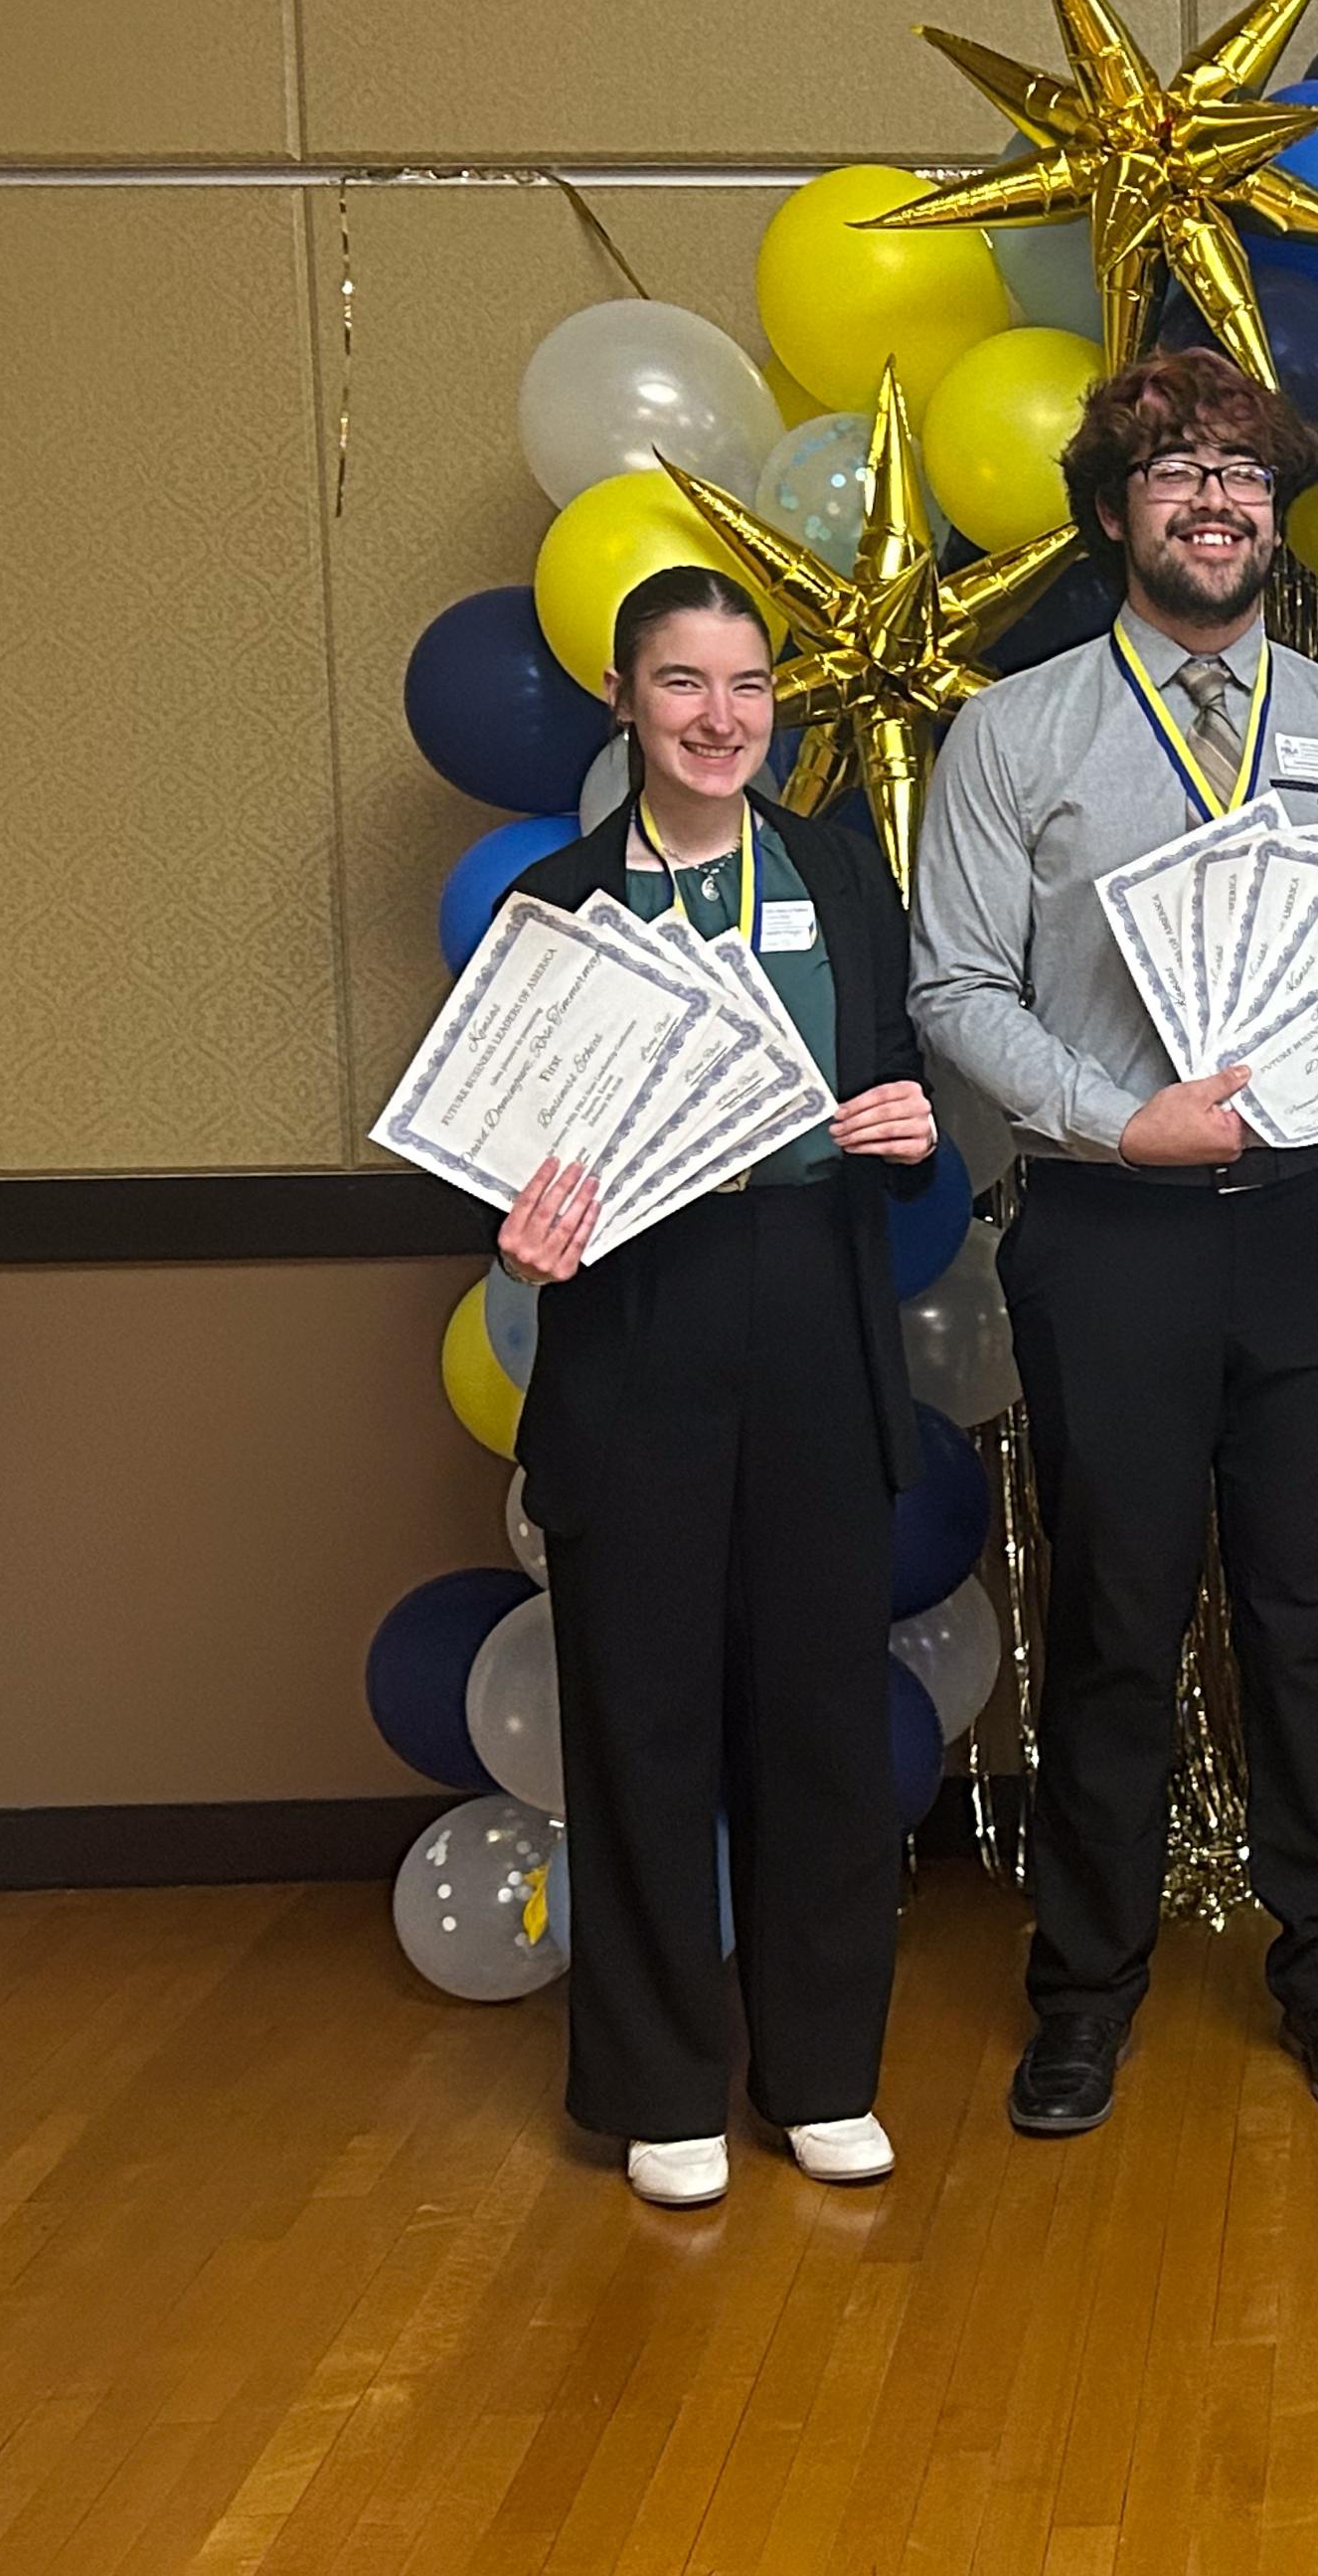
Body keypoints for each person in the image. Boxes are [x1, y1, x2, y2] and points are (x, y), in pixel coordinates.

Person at [907, 347, 1318, 2139]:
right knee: (1115, 1624)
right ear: (1111, 512)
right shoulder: (1018, 734)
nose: (1216, 501)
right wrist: (1109, 1115)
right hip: (1111, 1232)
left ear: (1275, 514)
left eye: (1242, 473)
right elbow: (954, 989)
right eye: (1177, 474)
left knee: (1317, 1623)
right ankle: (1084, 1991)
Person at [492, 565, 945, 2209]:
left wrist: (912, 1133)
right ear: (624, 699)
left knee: (820, 1716)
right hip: (635, 1331)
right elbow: (494, 1139)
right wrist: (515, 1234)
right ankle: (660, 2084)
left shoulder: (836, 868)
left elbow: (898, 1098)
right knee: (642, 1718)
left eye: (748, 685)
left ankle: (822, 2073)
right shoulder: (555, 902)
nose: (719, 716)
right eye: (683, 682)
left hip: (814, 1321)